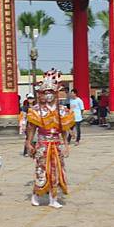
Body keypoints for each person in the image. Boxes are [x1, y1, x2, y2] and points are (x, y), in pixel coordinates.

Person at [26, 69, 75, 208]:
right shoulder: (36, 110)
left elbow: (64, 130)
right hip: (42, 143)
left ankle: (53, 199)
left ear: (55, 93)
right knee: (42, 170)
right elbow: (32, 128)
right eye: (45, 92)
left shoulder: (62, 110)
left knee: (57, 170)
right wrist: (29, 143)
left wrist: (66, 145)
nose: (48, 95)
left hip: (56, 143)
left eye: (50, 92)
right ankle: (36, 194)